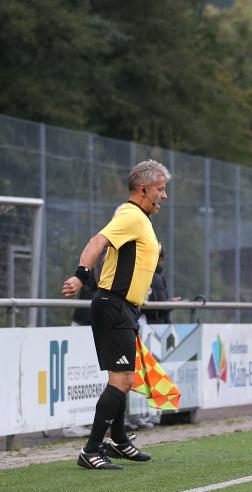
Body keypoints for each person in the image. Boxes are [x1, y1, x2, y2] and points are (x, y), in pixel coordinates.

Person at [62, 159, 169, 469]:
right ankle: (91, 450)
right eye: (160, 190)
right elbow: (98, 241)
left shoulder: (142, 219)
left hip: (125, 308)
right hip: (113, 306)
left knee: (125, 378)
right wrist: (81, 275)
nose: (164, 196)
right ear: (143, 189)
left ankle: (119, 440)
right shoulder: (130, 215)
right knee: (121, 380)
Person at [143, 245, 178, 324]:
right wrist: (172, 303)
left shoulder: (148, 275)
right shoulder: (156, 278)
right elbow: (160, 307)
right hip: (155, 325)